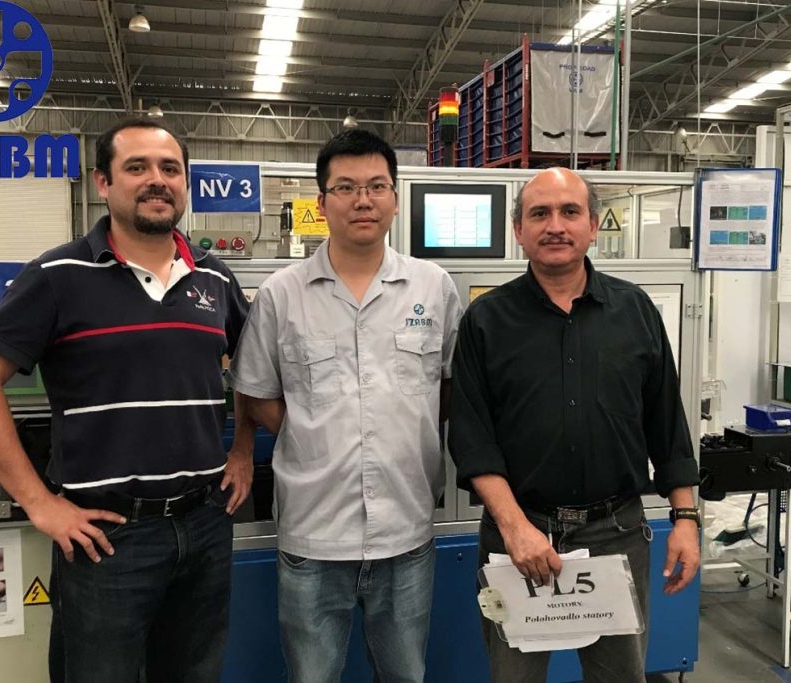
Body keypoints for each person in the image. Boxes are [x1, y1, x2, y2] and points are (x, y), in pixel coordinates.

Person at [0, 117, 250, 683]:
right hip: (107, 538)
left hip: (205, 525)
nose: (156, 180)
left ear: (185, 184)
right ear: (103, 183)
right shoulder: (57, 276)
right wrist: (39, 503)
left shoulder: (215, 278)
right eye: (137, 167)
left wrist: (244, 450)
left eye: (170, 169)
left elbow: (253, 371)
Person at [448, 167, 700, 683]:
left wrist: (686, 518)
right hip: (518, 535)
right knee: (514, 677)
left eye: (569, 212)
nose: (555, 226)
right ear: (518, 230)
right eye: (539, 213)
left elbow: (666, 424)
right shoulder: (485, 320)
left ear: (592, 226)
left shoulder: (635, 311)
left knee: (620, 677)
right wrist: (515, 529)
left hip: (617, 533)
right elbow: (472, 438)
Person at [233, 129, 462, 682]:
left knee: (405, 674)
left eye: (377, 186)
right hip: (313, 536)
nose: (363, 200)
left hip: (406, 531)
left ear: (395, 199)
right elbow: (257, 392)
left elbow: (450, 388)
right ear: (322, 202)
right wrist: (314, 436)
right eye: (346, 187)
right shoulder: (281, 294)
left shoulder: (433, 288)